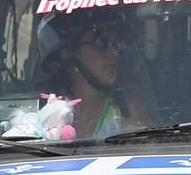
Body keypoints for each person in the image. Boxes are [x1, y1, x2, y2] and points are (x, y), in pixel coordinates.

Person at [34, 9, 153, 139]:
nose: (115, 51)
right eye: (103, 43)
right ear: (67, 54)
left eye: (116, 44)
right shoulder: (38, 112)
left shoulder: (128, 112)